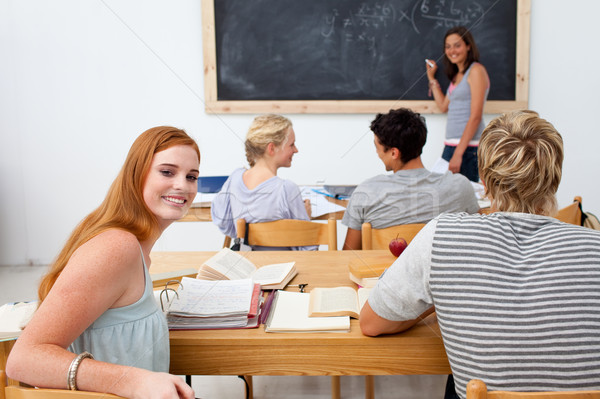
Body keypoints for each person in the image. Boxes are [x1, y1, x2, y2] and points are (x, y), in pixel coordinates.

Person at [360, 110, 600, 399]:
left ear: (484, 180)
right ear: (555, 178)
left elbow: (371, 323)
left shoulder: (442, 236)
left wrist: (442, 293)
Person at [6, 126, 198, 399]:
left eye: (192, 176)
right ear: (137, 174)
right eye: (167, 172)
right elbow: (24, 360)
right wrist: (133, 382)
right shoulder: (117, 246)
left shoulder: (137, 246)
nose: (182, 185)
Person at [342, 108, 479, 250]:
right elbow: (479, 238)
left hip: (385, 272)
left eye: (377, 147)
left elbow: (348, 256)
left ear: (394, 153)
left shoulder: (366, 192)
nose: (377, 153)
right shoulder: (460, 187)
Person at [211, 114, 314, 250]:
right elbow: (308, 247)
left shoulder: (235, 178)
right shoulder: (286, 189)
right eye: (291, 144)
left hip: (247, 266)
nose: (296, 150)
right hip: (284, 268)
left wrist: (245, 236)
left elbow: (224, 222)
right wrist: (306, 218)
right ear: (271, 148)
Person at [425, 26, 489, 182]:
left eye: (457, 45)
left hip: (468, 149)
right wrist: (431, 78)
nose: (452, 50)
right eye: (448, 46)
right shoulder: (457, 75)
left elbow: (475, 116)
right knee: (446, 197)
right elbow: (443, 106)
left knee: (467, 202)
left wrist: (458, 154)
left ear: (468, 46)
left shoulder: (475, 71)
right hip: (452, 146)